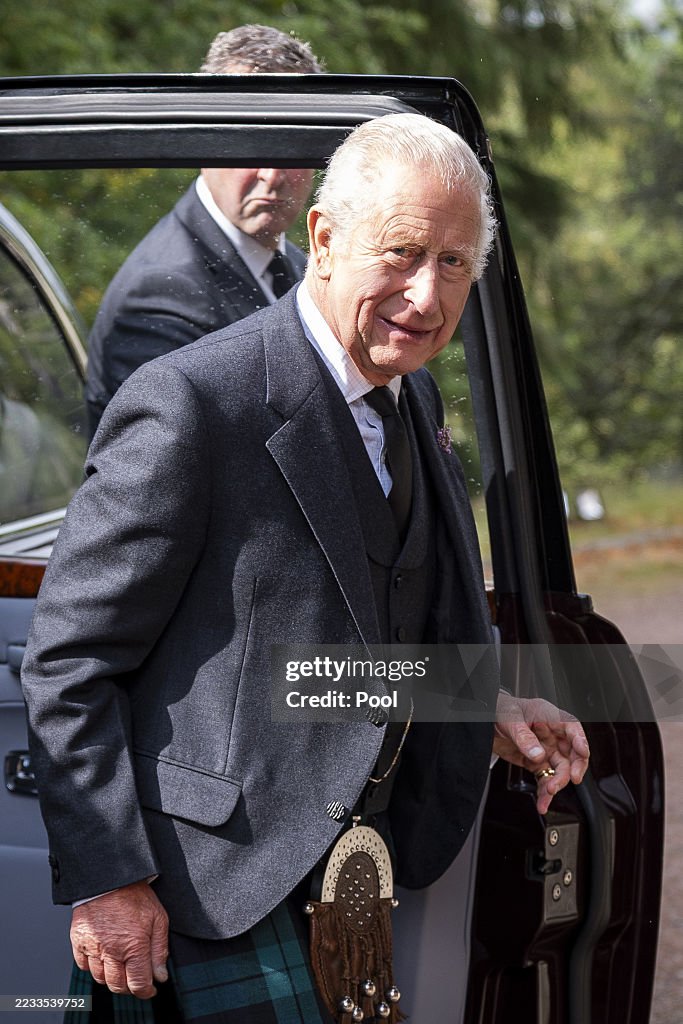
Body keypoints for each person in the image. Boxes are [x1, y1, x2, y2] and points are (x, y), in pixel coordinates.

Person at [22, 112, 590, 1024]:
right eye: (401, 252)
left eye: (453, 263)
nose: (424, 292)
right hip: (199, 892)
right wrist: (109, 879)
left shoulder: (411, 399)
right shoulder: (190, 403)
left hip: (356, 891)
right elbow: (69, 661)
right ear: (323, 238)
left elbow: (362, 633)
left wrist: (487, 706)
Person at [84, 24, 324, 438]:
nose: (273, 173)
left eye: (292, 144)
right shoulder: (159, 295)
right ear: (204, 140)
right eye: (250, 142)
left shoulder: (302, 265)